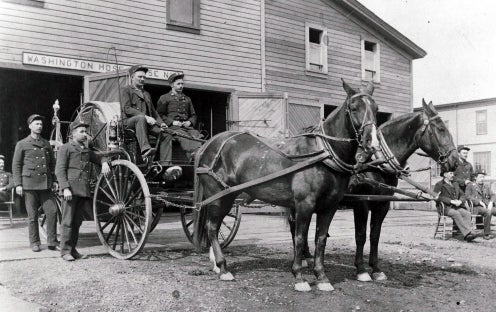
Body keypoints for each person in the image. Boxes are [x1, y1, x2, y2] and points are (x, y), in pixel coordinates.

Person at [55, 119, 110, 261]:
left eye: (86, 132)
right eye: (82, 132)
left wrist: (104, 163)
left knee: (77, 222)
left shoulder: (86, 150)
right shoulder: (65, 148)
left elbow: (99, 157)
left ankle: (73, 250)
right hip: (70, 191)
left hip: (82, 190)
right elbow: (59, 170)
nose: (85, 134)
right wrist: (65, 188)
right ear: (73, 134)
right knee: (67, 221)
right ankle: (65, 252)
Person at [12, 114, 58, 252]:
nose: (39, 126)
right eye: (36, 124)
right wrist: (18, 184)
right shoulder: (22, 144)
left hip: (46, 184)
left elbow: (52, 163)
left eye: (41, 124)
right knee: (32, 216)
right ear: (30, 126)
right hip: (29, 184)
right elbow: (16, 165)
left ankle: (52, 241)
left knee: (52, 211)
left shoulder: (46, 143)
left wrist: (54, 180)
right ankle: (35, 242)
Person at [121, 65, 168, 159]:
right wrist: (146, 117)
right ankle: (145, 150)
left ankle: (164, 163)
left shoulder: (146, 94)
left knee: (166, 134)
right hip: (129, 123)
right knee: (141, 118)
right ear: (132, 77)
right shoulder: (126, 90)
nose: (142, 79)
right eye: (140, 77)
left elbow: (154, 113)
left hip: (145, 123)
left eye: (144, 77)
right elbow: (127, 108)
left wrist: (161, 123)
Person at [156, 72, 202, 163]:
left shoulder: (187, 99)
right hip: (173, 127)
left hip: (187, 127)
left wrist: (189, 122)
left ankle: (198, 156)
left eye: (182, 84)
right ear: (172, 85)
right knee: (184, 137)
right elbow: (159, 114)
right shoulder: (164, 98)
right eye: (178, 84)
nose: (181, 86)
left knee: (197, 135)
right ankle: (192, 156)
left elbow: (193, 115)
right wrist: (172, 122)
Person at [434, 169, 477, 242]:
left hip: (456, 206)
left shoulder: (455, 184)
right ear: (445, 174)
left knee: (467, 213)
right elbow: (436, 198)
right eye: (450, 173)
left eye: (453, 173)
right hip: (445, 208)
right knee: (456, 213)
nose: (452, 175)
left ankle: (467, 235)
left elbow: (462, 194)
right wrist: (451, 201)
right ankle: (468, 233)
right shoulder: (439, 184)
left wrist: (460, 201)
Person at [465, 170, 496, 240]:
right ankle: (486, 234)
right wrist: (479, 202)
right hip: (476, 207)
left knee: (490, 210)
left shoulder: (486, 186)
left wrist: (491, 202)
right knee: (488, 212)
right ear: (475, 177)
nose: (482, 178)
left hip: (487, 206)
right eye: (480, 177)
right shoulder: (470, 185)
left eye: (483, 177)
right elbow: (467, 196)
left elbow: (493, 195)